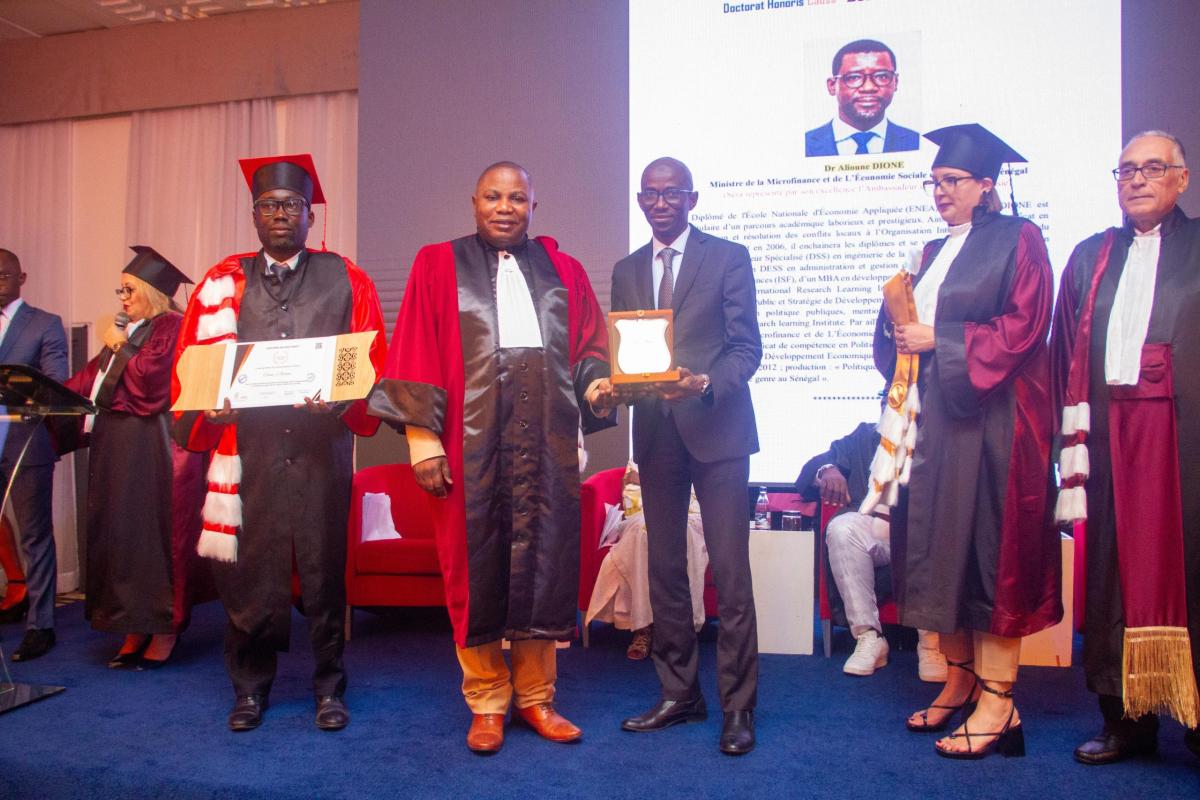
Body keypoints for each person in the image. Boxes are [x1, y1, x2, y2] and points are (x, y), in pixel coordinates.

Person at [369, 161, 614, 754]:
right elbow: (416, 348)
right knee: (473, 569)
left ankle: (536, 697)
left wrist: (597, 387)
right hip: (468, 445)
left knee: (545, 567)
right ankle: (486, 700)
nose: (505, 207)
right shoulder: (437, 264)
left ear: (534, 206)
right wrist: (423, 443)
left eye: (517, 198)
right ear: (474, 202)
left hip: (548, 444)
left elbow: (588, 344)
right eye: (493, 197)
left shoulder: (565, 270)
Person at [171, 154, 386, 731]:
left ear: (310, 215)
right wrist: (210, 407)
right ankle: (248, 689)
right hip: (249, 451)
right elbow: (193, 364)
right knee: (248, 572)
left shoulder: (346, 277)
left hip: (319, 451)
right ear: (254, 216)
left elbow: (366, 358)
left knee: (323, 569)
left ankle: (329, 688)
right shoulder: (223, 284)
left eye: (292, 205)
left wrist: (336, 401)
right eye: (269, 206)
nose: (281, 214)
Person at [872, 124, 1060, 758]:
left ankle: (1000, 702)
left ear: (985, 184)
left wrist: (941, 340)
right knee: (935, 554)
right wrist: (898, 327)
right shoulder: (931, 250)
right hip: (930, 427)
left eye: (952, 181)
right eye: (934, 182)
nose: (941, 191)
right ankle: (958, 681)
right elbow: (903, 337)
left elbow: (1025, 326)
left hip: (991, 428)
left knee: (986, 556)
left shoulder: (1019, 239)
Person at [1051, 130, 1200, 764]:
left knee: (1192, 567)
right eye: (1126, 170)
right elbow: (1064, 351)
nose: (1137, 179)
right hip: (1110, 439)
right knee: (1111, 573)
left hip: (1187, 442)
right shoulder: (1091, 256)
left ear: (1181, 179)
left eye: (1152, 168)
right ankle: (1125, 720)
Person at [611, 157, 761, 755]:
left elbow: (746, 349)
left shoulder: (728, 257)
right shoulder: (626, 270)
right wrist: (616, 384)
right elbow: (626, 353)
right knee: (666, 570)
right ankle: (680, 694)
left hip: (719, 432)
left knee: (730, 572)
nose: (661, 203)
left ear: (692, 199)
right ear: (640, 201)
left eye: (673, 193)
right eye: (651, 194)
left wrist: (703, 384)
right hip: (656, 435)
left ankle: (738, 707)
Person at [60, 246, 209, 669]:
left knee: (152, 538)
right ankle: (132, 625)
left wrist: (119, 344)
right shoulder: (131, 329)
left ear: (153, 291)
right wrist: (48, 396)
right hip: (117, 449)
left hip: (153, 450)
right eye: (120, 290)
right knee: (121, 535)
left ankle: (163, 628)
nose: (122, 298)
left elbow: (150, 383)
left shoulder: (172, 326)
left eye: (130, 289)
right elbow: (88, 381)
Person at [796, 418, 947, 681]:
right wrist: (827, 469)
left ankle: (931, 645)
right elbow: (815, 465)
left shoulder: (939, 436)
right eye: (889, 402)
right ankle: (869, 637)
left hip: (920, 533)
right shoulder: (865, 436)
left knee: (933, 534)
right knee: (842, 528)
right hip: (874, 529)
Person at [0, 248, 68, 662]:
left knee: (34, 535)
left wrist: (17, 391)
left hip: (24, 442)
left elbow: (56, 381)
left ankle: (40, 626)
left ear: (21, 278)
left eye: (3, 275)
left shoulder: (44, 323)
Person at [585, 463, 709, 660]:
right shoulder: (642, 455)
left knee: (680, 532)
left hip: (690, 515)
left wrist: (649, 481)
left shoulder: (700, 455)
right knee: (644, 532)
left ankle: (675, 631)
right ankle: (643, 627)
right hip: (643, 515)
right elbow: (629, 490)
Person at [804, 39, 920, 158]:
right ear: (832, 86)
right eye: (854, 77)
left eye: (882, 76)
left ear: (895, 82)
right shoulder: (804, 145)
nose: (868, 87)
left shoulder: (917, 142)